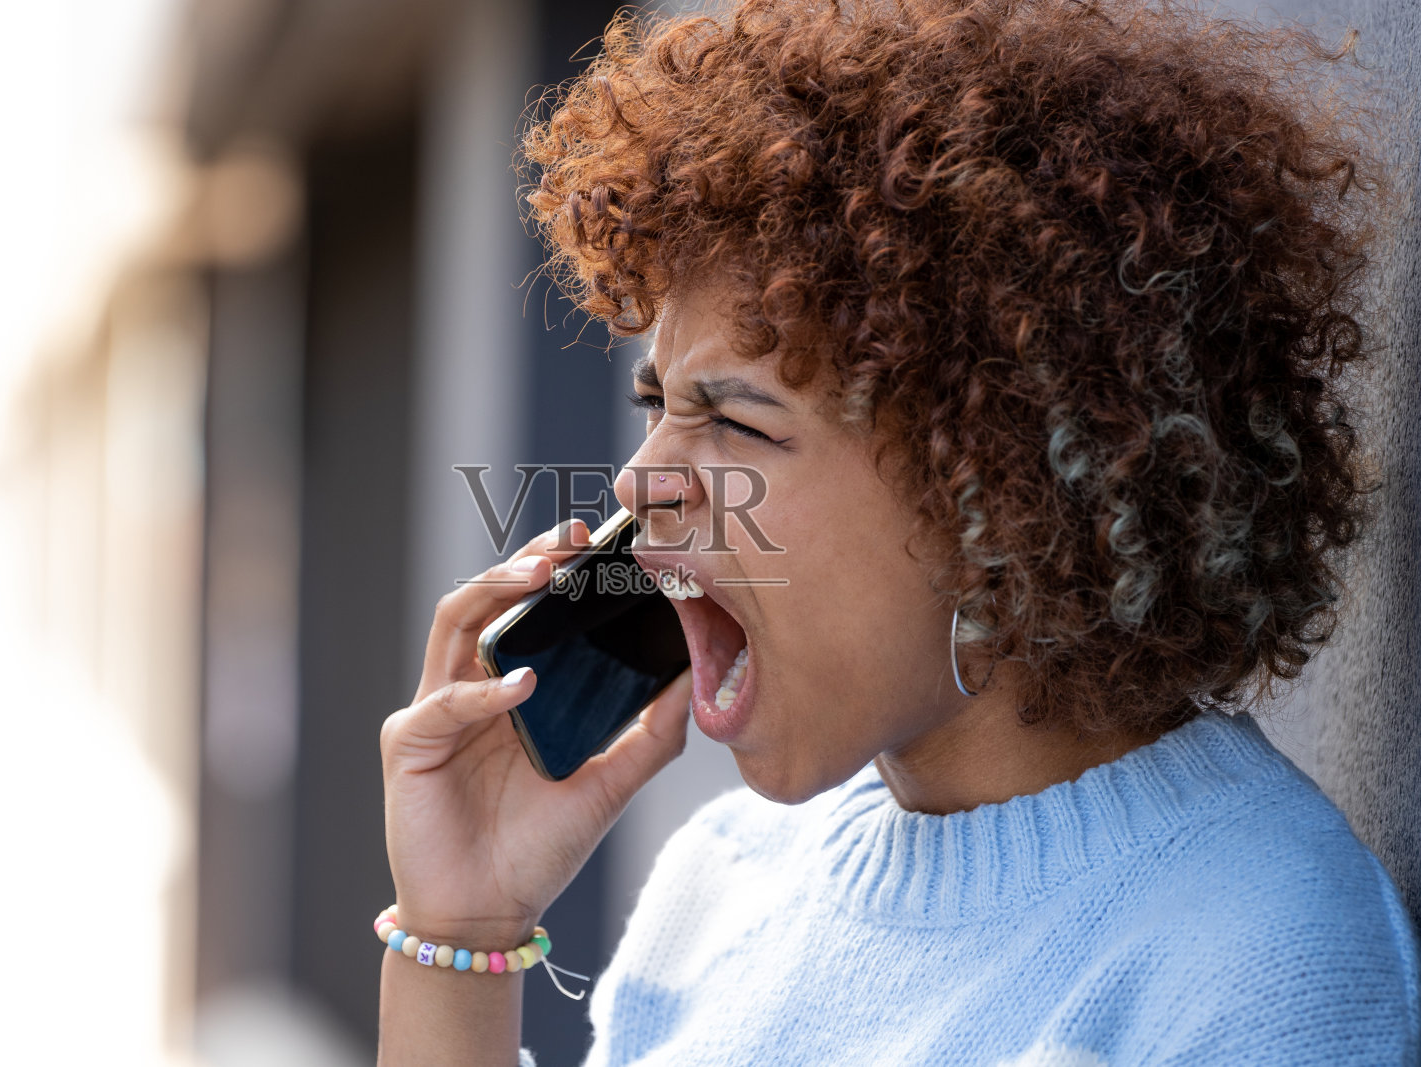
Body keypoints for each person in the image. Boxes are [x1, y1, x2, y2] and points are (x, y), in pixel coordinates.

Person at [377, 0, 1421, 1062]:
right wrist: (460, 933)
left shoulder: (1258, 962)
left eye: (732, 418)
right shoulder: (724, 879)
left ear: (999, 484)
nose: (640, 480)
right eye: (658, 405)